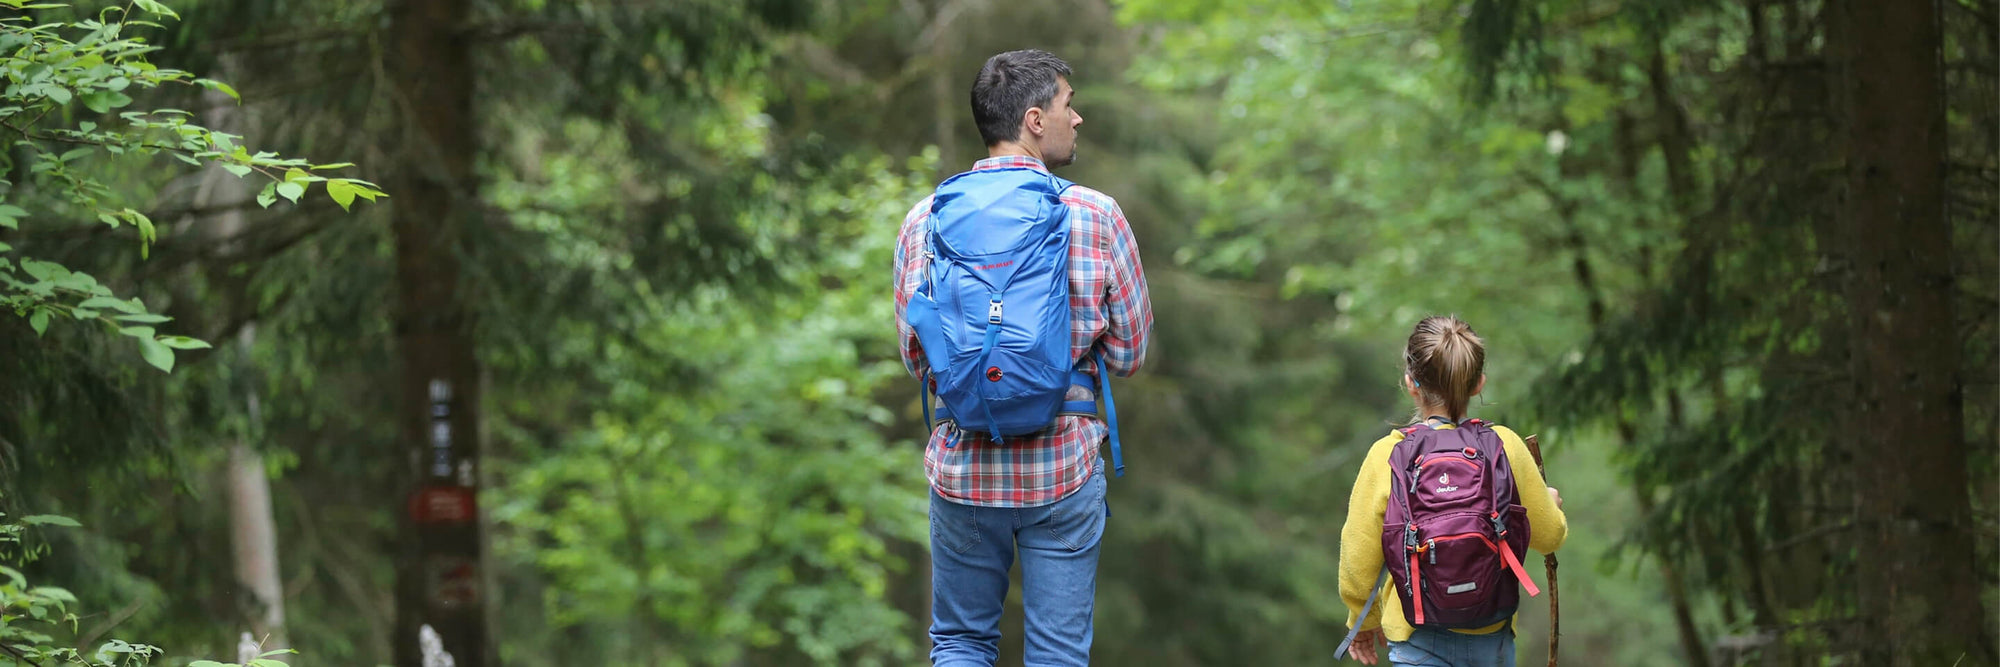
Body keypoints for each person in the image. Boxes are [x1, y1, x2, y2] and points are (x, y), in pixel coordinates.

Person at [892, 48, 1152, 667]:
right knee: (1057, 653)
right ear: (1034, 119)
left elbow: (914, 353)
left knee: (960, 642)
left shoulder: (925, 220)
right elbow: (1130, 354)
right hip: (1062, 462)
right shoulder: (1094, 214)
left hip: (963, 469)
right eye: (1068, 104)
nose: (1078, 118)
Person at [1338, 316, 1567, 666]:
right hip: (1493, 633)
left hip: (1417, 636)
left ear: (1410, 382)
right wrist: (1550, 506)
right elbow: (1549, 537)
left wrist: (1362, 622)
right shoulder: (1504, 445)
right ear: (1478, 383)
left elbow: (1359, 561)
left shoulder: (1389, 454)